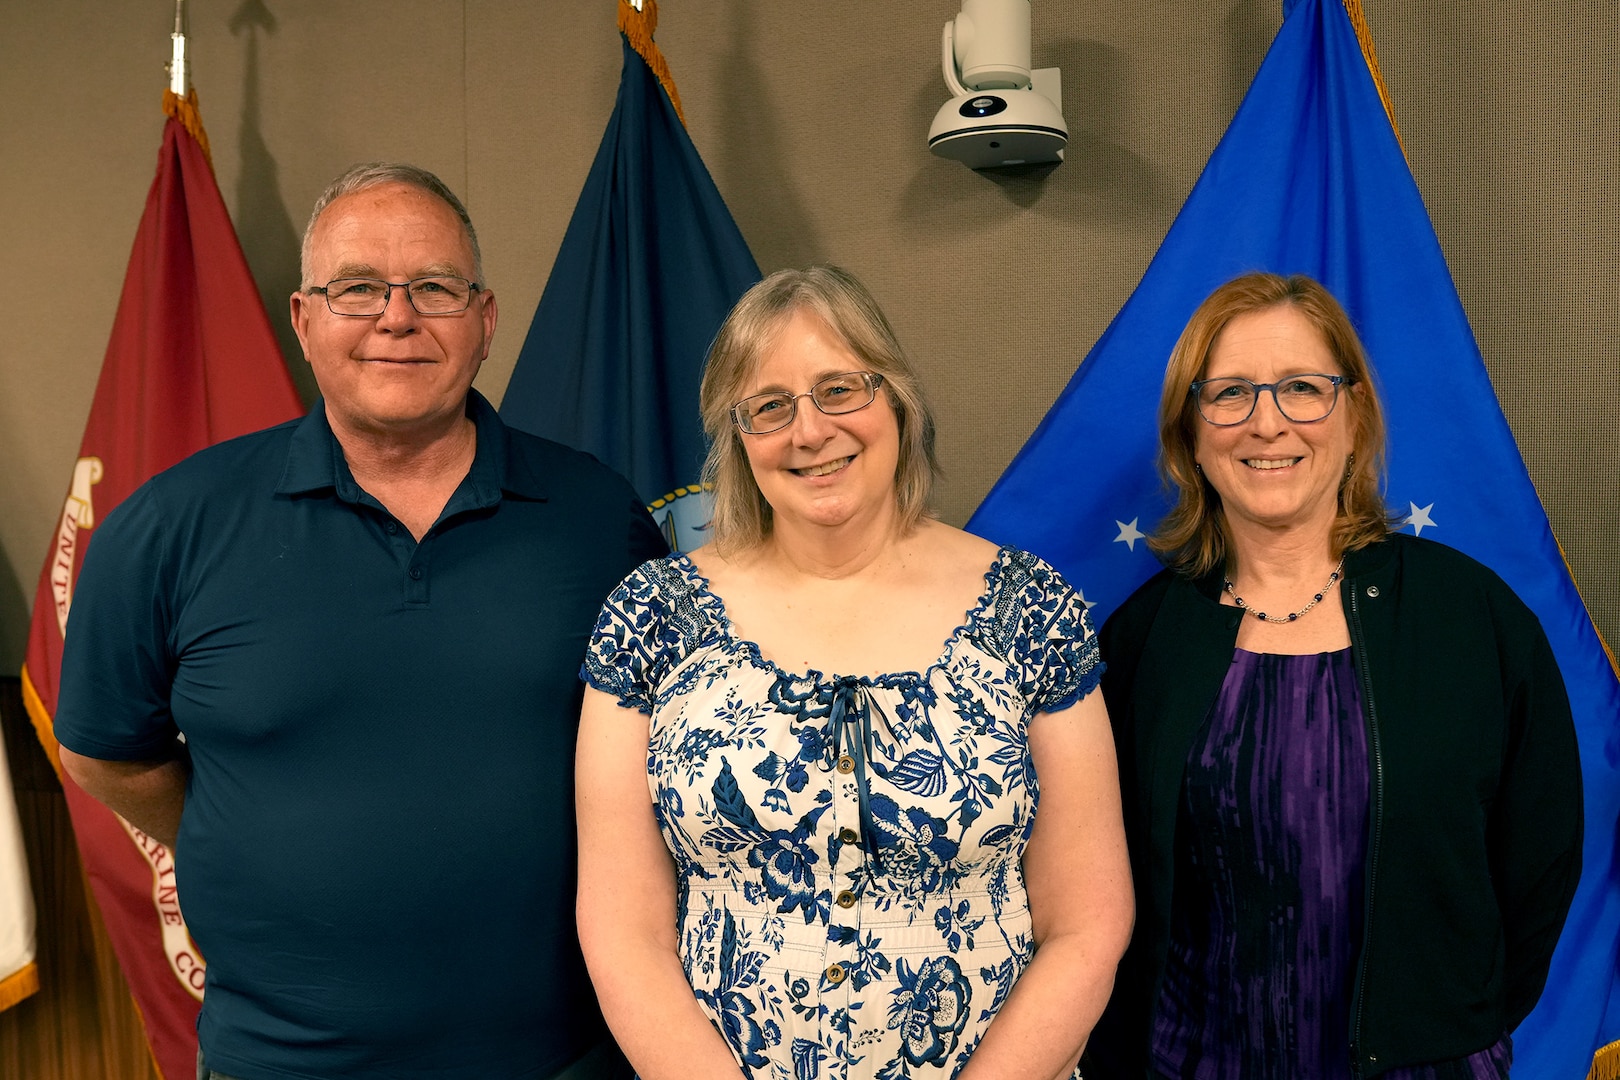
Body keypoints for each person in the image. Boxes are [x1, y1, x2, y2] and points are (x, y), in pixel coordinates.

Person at [54, 162, 666, 1080]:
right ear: (304, 320)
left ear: (485, 320)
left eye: (434, 287)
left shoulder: (598, 516)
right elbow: (105, 751)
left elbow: (672, 750)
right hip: (280, 1063)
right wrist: (250, 831)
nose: (397, 316)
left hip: (566, 1060)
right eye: (357, 289)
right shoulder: (167, 527)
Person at [575, 265, 1134, 1080]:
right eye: (770, 406)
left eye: (841, 389)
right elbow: (622, 927)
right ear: (738, 437)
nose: (808, 430)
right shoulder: (651, 617)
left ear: (897, 401)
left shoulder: (1030, 607)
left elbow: (1087, 919)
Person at [1089, 272, 1583, 1079]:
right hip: (1194, 1066)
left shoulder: (1471, 619)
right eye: (1230, 394)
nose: (1267, 421)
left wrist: (1451, 1026)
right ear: (1192, 433)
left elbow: (1540, 859)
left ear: (1353, 418)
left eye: (1302, 389)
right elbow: (1104, 884)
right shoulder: (1145, 641)